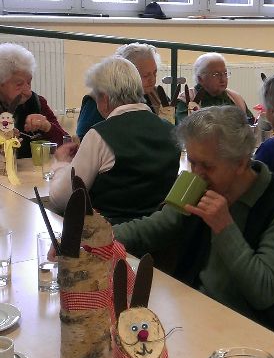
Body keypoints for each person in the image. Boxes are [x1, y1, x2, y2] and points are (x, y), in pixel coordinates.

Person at [114, 106, 274, 348]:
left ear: (241, 163)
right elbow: (155, 227)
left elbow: (263, 292)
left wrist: (224, 226)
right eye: (192, 162)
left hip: (260, 333)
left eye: (208, 166)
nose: (197, 174)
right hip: (198, 314)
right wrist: (99, 238)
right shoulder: (199, 184)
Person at [49, 57, 180, 223]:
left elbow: (62, 199)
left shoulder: (100, 135)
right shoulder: (171, 131)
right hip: (160, 235)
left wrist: (61, 165)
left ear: (104, 99)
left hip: (110, 240)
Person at [76, 41, 170, 138]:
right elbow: (84, 137)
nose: (153, 80)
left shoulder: (156, 94)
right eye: (145, 75)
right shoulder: (99, 98)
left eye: (155, 73)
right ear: (126, 75)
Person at [0, 43, 66, 158]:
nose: (28, 91)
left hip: (33, 173)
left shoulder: (38, 102)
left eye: (29, 82)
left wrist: (47, 126)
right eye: (19, 84)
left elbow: (67, 145)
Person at [175, 52, 253, 123]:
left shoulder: (235, 98)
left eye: (225, 73)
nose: (223, 79)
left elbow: (250, 123)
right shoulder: (188, 99)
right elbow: (184, 131)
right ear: (200, 79)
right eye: (216, 74)